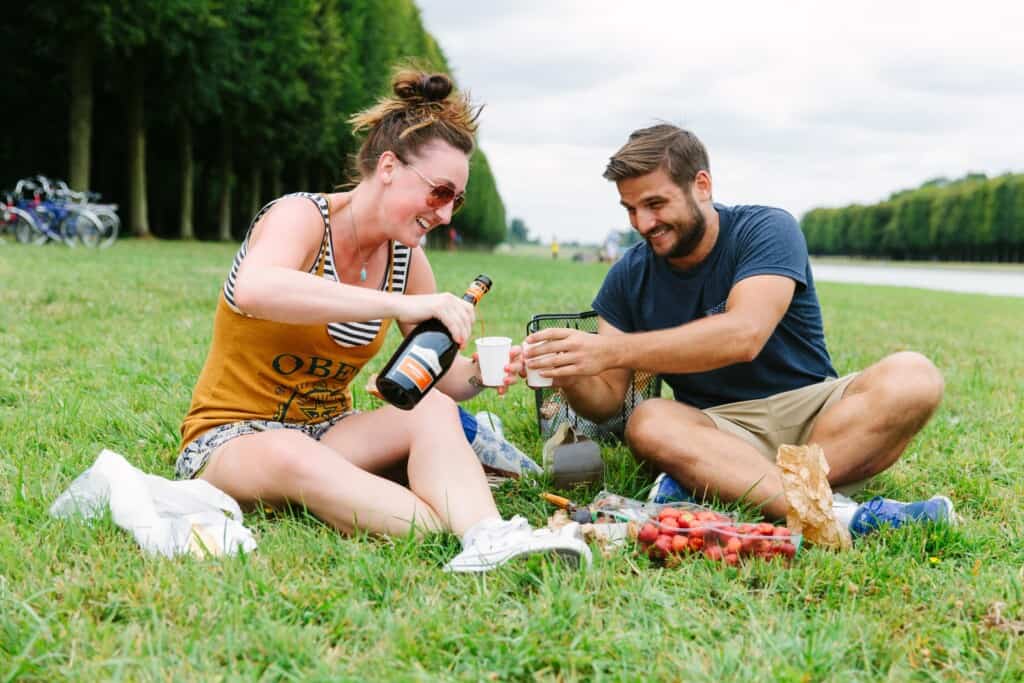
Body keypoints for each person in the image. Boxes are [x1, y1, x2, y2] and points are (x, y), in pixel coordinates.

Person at [175, 67, 589, 572]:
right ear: (388, 166)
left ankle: (485, 533)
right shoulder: (301, 216)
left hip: (330, 432)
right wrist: (400, 305)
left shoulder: (406, 260)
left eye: (455, 200)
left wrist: (486, 371)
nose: (446, 215)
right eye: (439, 193)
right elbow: (255, 288)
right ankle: (452, 522)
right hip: (232, 438)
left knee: (433, 410)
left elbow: (440, 377)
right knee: (293, 455)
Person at [522, 124, 955, 537]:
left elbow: (744, 334)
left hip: (815, 417)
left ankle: (717, 488)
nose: (642, 223)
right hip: (719, 430)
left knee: (915, 376)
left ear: (702, 186)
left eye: (655, 204)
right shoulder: (628, 276)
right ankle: (844, 514)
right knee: (648, 420)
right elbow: (607, 403)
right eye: (630, 209)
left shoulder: (766, 229)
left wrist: (611, 352)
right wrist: (571, 370)